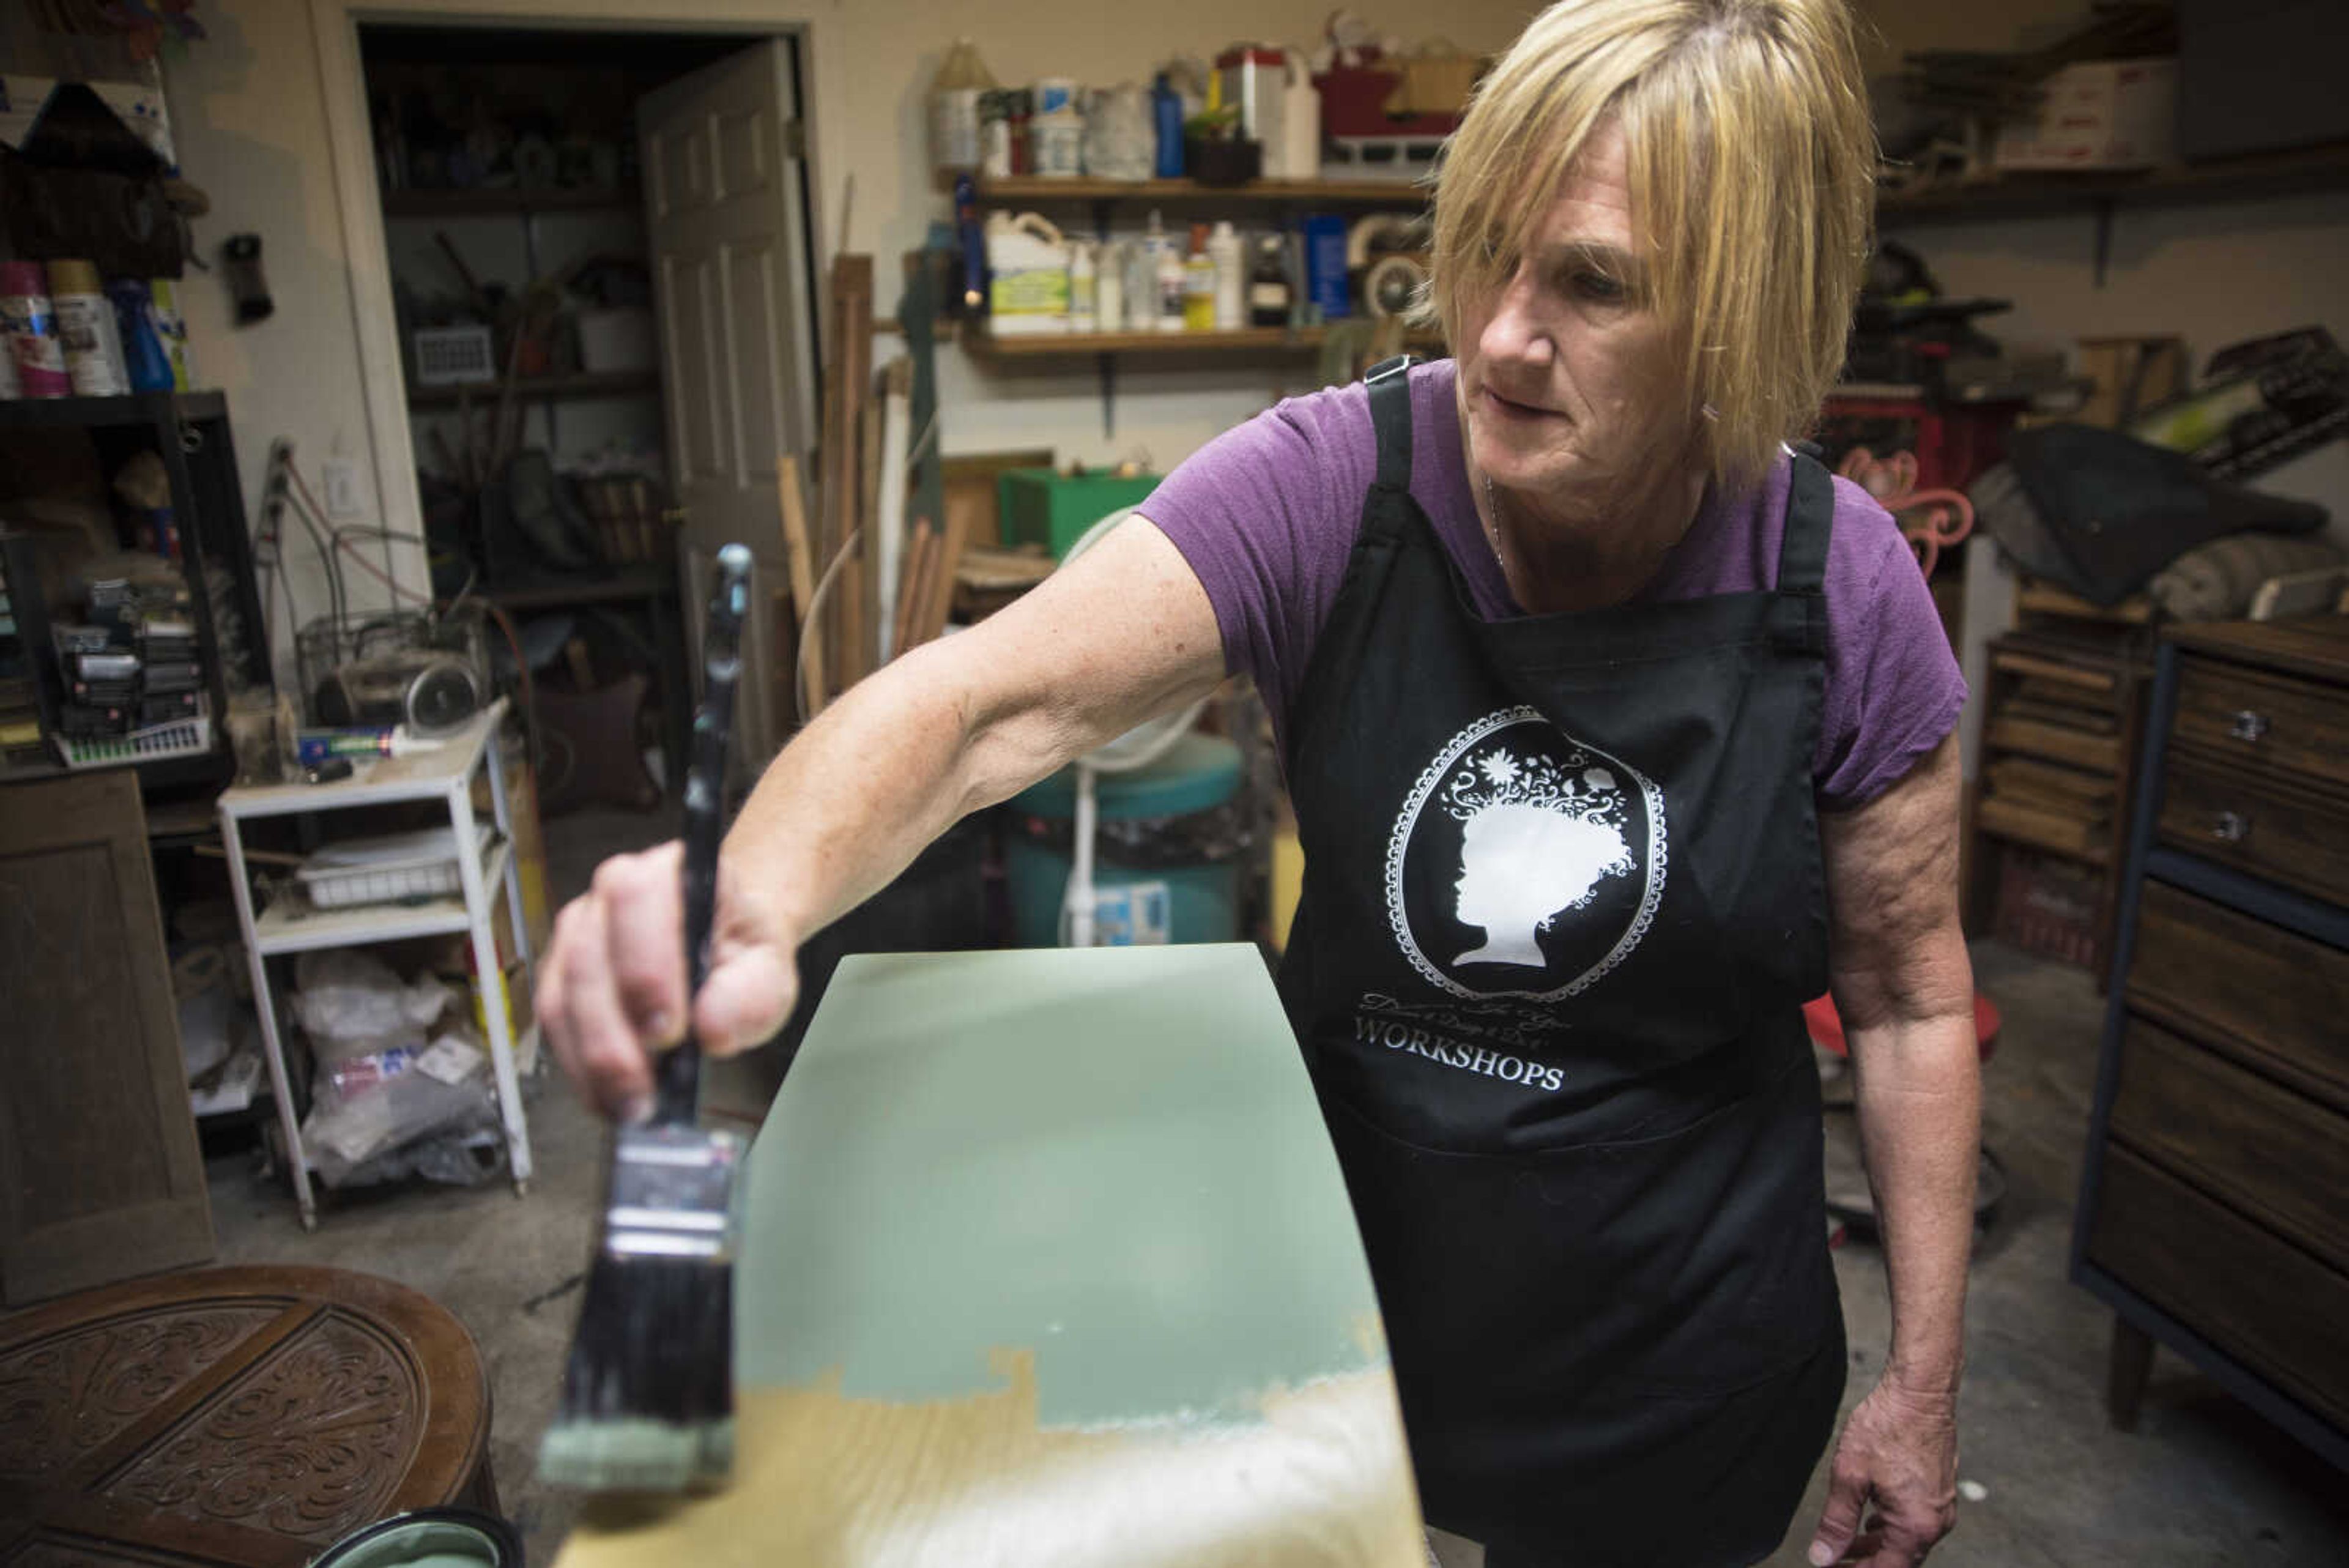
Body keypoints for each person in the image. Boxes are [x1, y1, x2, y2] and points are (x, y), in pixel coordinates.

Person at [537, 1, 1980, 1563]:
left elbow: (1906, 1004)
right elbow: (979, 705)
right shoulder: (1331, 483)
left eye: (1595, 285)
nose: (1499, 331)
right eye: (1490, 244)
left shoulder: (1839, 590)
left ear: (1742, 314)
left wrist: (1925, 1375)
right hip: (1349, 1294)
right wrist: (746, 891)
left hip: (1679, 1349)